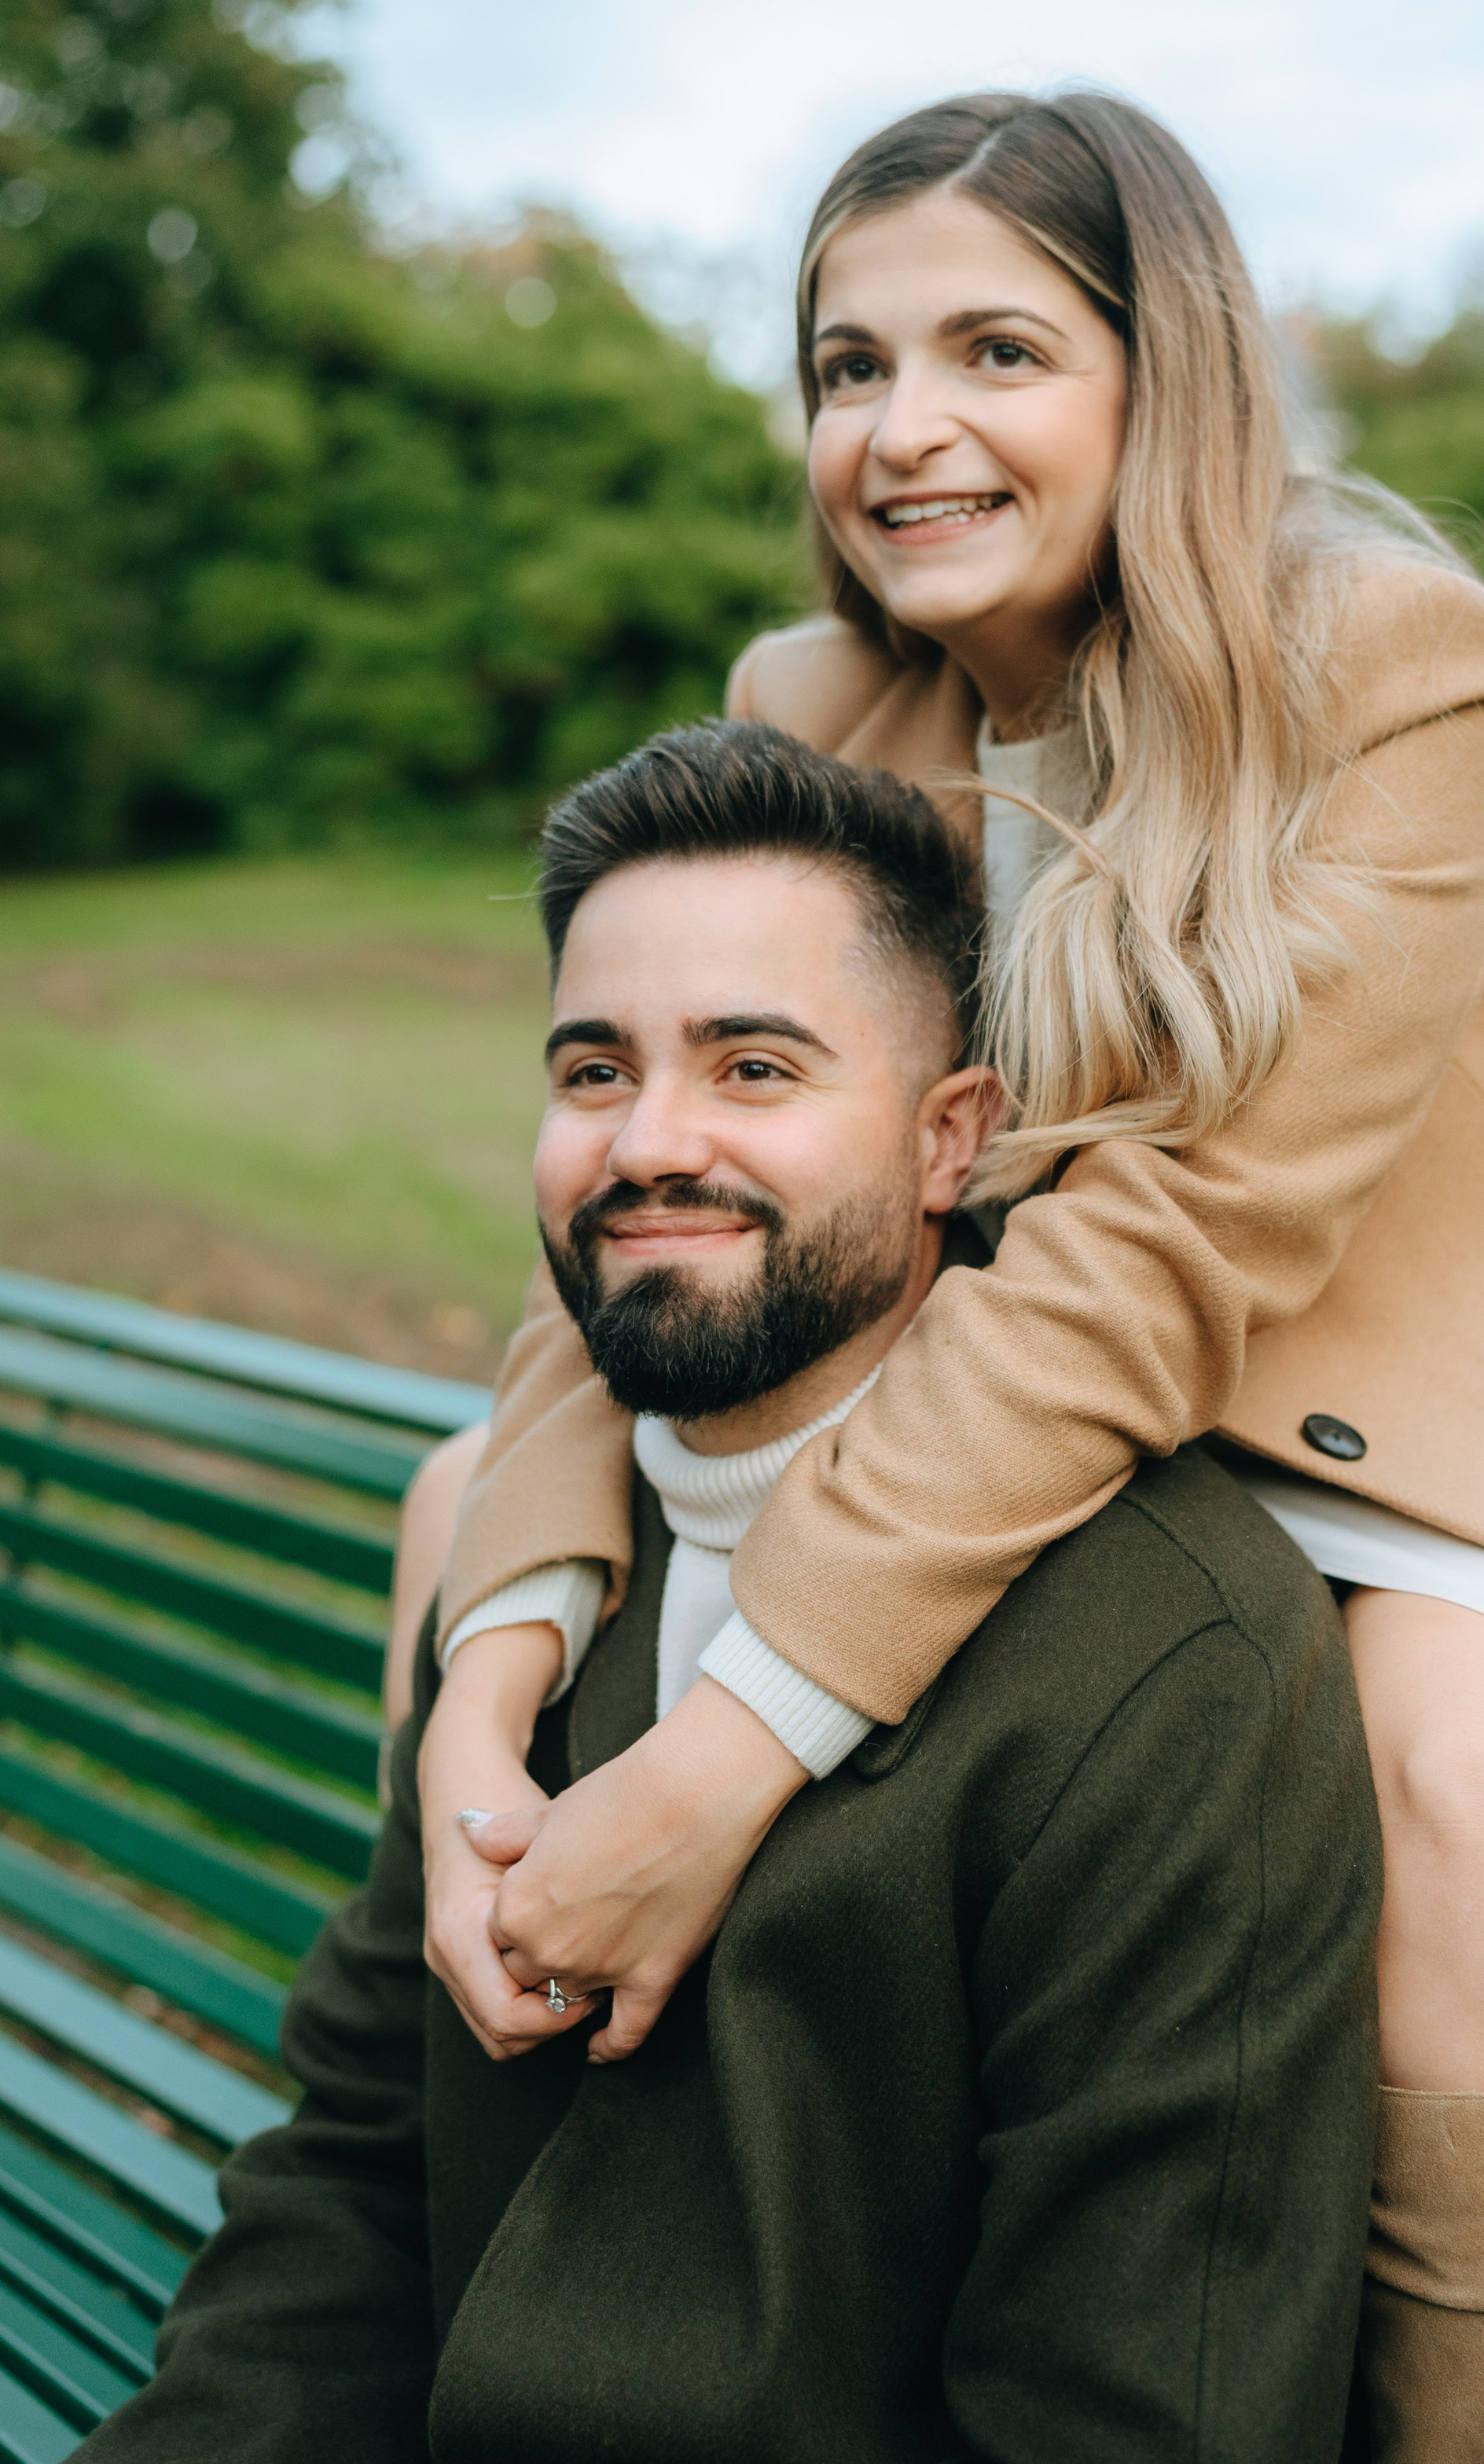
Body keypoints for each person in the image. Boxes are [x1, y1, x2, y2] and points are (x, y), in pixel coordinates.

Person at [406, 92, 1484, 2464]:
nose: (905, 428)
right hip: (1080, 1448)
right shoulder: (816, 710)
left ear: (1172, 379)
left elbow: (1177, 1246)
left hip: (1455, 1449)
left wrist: (725, 1751)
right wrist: (494, 1661)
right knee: (469, 1498)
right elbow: (650, 1203)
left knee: (1457, 1771)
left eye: (996, 352)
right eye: (849, 366)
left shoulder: (1382, 660)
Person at [80, 721, 1383, 2464]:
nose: (649, 1143)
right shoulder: (538, 1579)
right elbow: (354, 2179)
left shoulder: (1168, 1664)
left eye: (754, 1069)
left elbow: (1144, 2411)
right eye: (594, 1070)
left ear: (948, 1141)